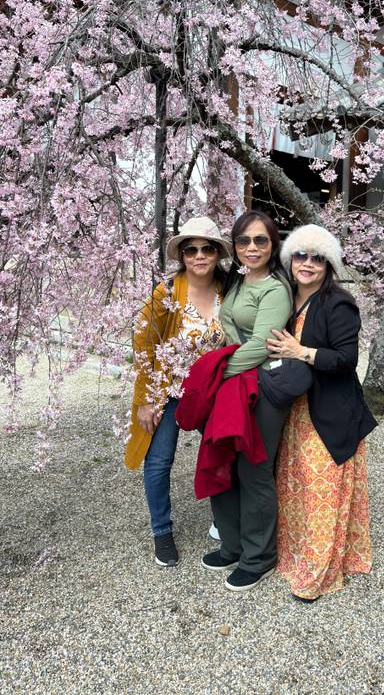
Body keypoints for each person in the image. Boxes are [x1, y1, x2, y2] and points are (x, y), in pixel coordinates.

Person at [266, 224, 378, 602]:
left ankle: (317, 574)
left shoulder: (338, 303)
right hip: (295, 410)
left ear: (328, 263)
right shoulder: (286, 298)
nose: (308, 263)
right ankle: (295, 557)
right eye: (301, 255)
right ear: (290, 259)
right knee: (295, 488)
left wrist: (302, 352)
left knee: (320, 494)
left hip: (328, 411)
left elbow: (347, 360)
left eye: (318, 257)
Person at [124, 216, 230, 566]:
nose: (199, 256)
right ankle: (161, 531)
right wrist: (146, 399)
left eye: (207, 248)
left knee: (225, 451)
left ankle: (225, 521)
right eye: (191, 250)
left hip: (212, 390)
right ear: (182, 255)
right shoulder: (167, 292)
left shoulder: (228, 290)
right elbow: (144, 342)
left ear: (217, 253)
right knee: (159, 460)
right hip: (169, 389)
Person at [201, 210, 293, 592]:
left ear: (273, 245)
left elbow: (260, 345)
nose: (251, 248)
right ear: (234, 247)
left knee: (254, 468)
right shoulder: (238, 283)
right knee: (223, 456)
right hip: (233, 386)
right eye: (243, 241)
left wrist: (214, 374)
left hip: (261, 386)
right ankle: (232, 543)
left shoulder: (274, 289)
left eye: (260, 240)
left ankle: (259, 556)